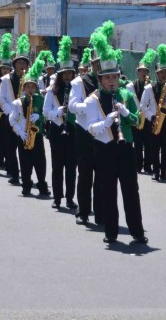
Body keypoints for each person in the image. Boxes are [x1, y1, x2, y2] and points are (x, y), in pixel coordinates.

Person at [76, 26, 146, 246]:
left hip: (126, 149)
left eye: (115, 76)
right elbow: (89, 128)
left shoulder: (126, 94)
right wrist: (105, 123)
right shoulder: (92, 99)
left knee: (131, 191)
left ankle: (137, 232)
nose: (112, 81)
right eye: (108, 78)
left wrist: (127, 113)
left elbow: (139, 121)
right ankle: (112, 232)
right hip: (104, 149)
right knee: (108, 191)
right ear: (100, 79)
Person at [69, 45, 102, 226]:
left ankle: (101, 211)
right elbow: (73, 107)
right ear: (92, 64)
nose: (100, 67)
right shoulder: (79, 82)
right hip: (84, 131)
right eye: (97, 63)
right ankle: (83, 210)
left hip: (104, 134)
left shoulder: (111, 81)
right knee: (85, 173)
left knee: (103, 175)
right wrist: (89, 105)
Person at [43, 36, 77, 210]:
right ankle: (57, 197)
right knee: (57, 167)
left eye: (70, 73)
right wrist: (58, 112)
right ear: (60, 74)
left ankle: (70, 198)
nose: (68, 76)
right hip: (57, 130)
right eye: (65, 73)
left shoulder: (77, 90)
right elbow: (45, 112)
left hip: (72, 130)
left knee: (71, 168)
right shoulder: (51, 91)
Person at [9, 57, 49, 197]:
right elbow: (12, 119)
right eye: (28, 87)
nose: (30, 89)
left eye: (33, 86)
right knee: (25, 164)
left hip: (36, 135)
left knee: (40, 163)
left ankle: (42, 186)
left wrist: (40, 116)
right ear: (24, 88)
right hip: (23, 136)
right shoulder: (17, 102)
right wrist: (20, 131)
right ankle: (26, 186)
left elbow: (47, 114)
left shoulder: (41, 100)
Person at [0, 34, 31, 186]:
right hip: (10, 116)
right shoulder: (5, 79)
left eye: (24, 62)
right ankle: (14, 174)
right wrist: (12, 111)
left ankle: (26, 176)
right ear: (15, 64)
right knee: (10, 148)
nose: (22, 65)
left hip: (26, 117)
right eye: (20, 62)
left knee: (25, 148)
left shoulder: (29, 78)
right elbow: (2, 99)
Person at [141, 46, 166, 183]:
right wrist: (151, 116)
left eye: (165, 72)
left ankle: (164, 171)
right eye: (161, 73)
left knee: (165, 148)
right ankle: (155, 171)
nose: (163, 75)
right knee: (154, 147)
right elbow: (142, 106)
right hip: (154, 120)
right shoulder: (149, 88)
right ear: (156, 74)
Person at [128, 49, 154, 174]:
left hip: (148, 118)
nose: (144, 73)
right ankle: (138, 165)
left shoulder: (151, 86)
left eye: (146, 71)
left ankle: (148, 166)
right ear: (138, 73)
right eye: (142, 71)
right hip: (137, 118)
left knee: (148, 144)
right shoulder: (133, 85)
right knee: (137, 144)